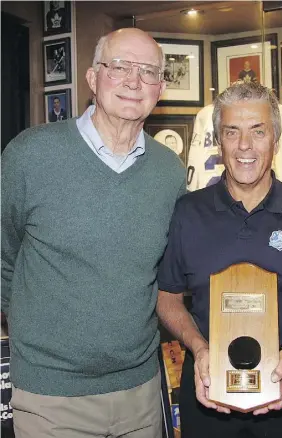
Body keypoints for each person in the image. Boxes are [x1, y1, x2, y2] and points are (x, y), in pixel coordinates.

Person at [1, 28, 186, 438]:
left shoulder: (169, 171)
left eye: (147, 71)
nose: (133, 81)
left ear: (160, 88)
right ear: (92, 78)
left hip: (140, 390)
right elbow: (3, 256)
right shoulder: (30, 155)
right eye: (119, 67)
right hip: (52, 396)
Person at [157, 81, 282, 438]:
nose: (245, 146)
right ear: (218, 140)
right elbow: (167, 298)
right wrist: (199, 349)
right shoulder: (187, 213)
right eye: (232, 132)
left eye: (258, 132)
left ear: (274, 138)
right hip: (207, 398)